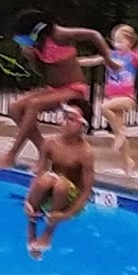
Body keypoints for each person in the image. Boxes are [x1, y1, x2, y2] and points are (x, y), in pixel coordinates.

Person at [0, 10, 112, 170]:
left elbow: (93, 35)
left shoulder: (59, 34)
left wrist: (109, 60)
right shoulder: (36, 45)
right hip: (55, 88)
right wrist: (32, 58)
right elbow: (43, 73)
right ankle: (45, 152)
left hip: (75, 89)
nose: (21, 40)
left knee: (34, 104)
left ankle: (11, 155)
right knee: (14, 108)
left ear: (34, 31)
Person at [24, 97, 96, 258]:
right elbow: (39, 173)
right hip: (52, 192)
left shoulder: (85, 153)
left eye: (71, 120)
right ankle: (31, 227)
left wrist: (67, 214)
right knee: (46, 179)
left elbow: (86, 191)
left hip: (71, 201)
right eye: (63, 117)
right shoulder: (50, 143)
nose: (65, 123)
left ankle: (48, 233)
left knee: (61, 183)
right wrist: (27, 201)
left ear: (82, 125)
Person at [86, 24, 138, 174]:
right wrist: (74, 61)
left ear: (129, 42)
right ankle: (127, 163)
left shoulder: (133, 57)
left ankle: (121, 133)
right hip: (113, 96)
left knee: (104, 107)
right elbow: (93, 61)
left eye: (120, 41)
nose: (116, 44)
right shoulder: (110, 55)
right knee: (118, 131)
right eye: (115, 41)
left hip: (127, 98)